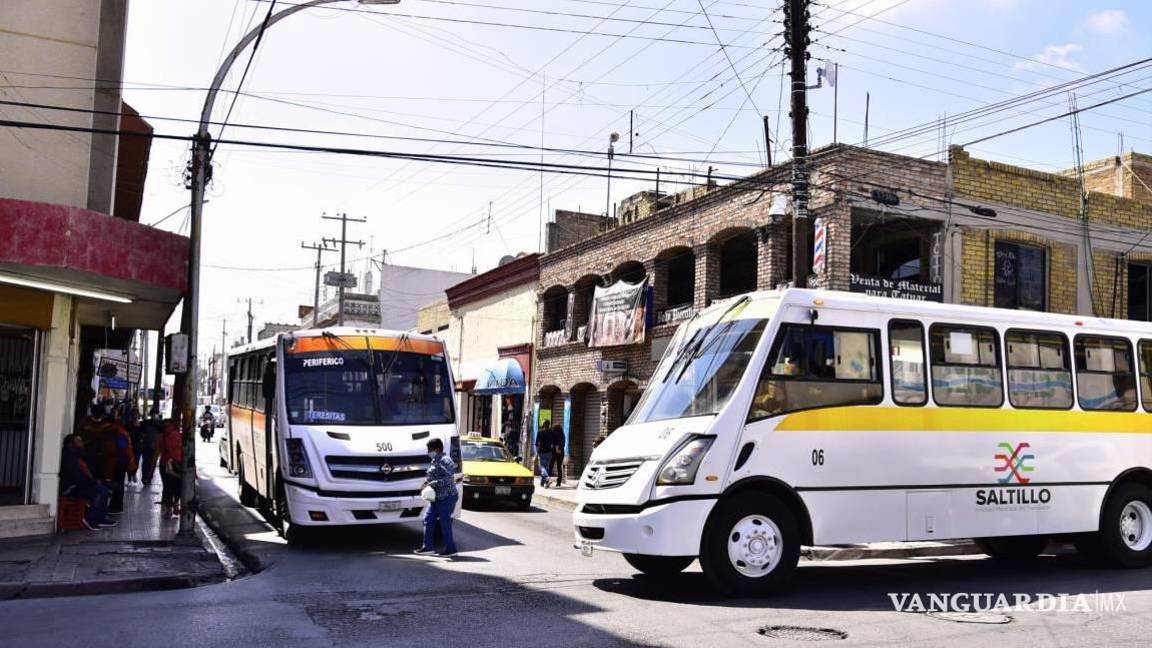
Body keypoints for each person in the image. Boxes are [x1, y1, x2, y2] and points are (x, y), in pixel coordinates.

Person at [59, 434, 117, 531]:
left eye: (81, 441)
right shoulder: (69, 457)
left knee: (104, 489)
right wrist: (92, 483)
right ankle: (91, 519)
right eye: (78, 441)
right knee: (99, 491)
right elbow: (75, 476)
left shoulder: (78, 456)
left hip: (80, 484)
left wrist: (95, 481)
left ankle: (100, 518)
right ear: (71, 444)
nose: (82, 443)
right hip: (71, 487)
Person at [415, 438, 458, 556]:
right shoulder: (435, 460)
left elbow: (448, 479)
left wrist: (432, 484)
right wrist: (425, 483)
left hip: (447, 496)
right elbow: (432, 475)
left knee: (444, 523)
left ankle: (451, 550)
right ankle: (428, 547)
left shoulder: (446, 460)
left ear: (437, 449)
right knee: (428, 519)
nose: (428, 452)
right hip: (437, 497)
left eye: (429, 449)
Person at [158, 420, 183, 518]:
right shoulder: (179, 435)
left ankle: (168, 510)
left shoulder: (162, 436)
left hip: (165, 465)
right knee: (177, 487)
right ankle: (176, 506)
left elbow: (158, 451)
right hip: (178, 466)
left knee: (167, 488)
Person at [535, 420, 552, 488]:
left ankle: (547, 478)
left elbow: (536, 443)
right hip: (549, 451)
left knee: (542, 467)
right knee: (546, 467)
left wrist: (537, 451)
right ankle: (543, 482)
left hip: (541, 451)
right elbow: (553, 441)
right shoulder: (551, 432)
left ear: (544, 424)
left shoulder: (540, 432)